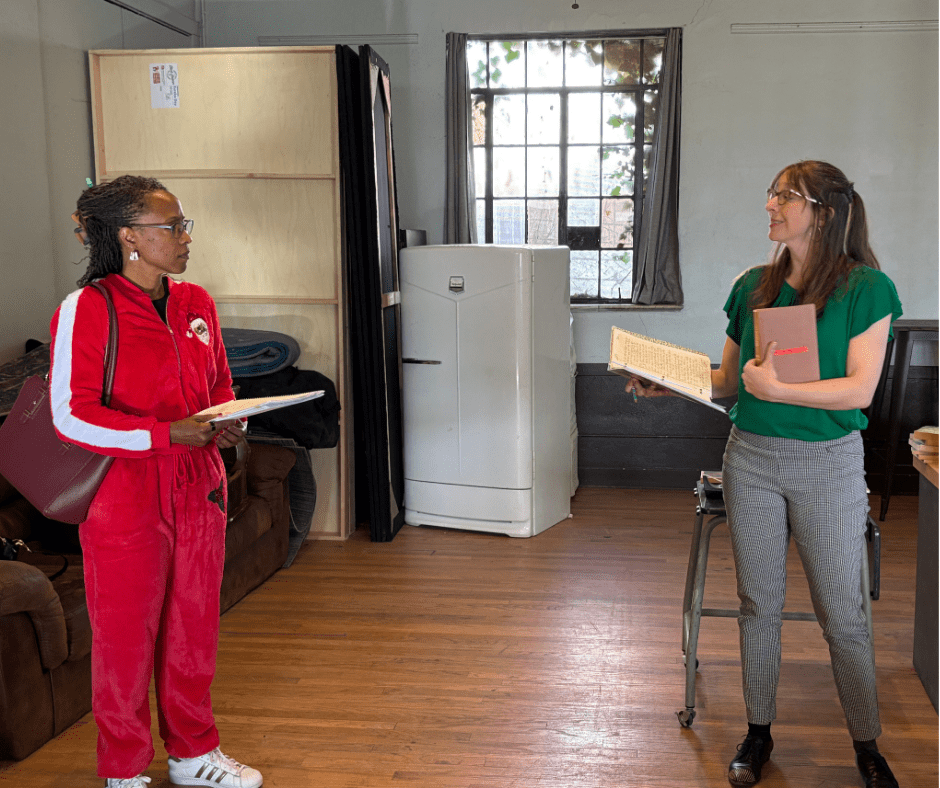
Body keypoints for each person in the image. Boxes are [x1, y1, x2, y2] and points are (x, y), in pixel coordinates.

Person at [627, 161, 902, 788]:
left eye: (786, 196)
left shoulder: (868, 289)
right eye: (772, 193)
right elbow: (729, 382)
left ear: (825, 213)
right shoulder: (753, 285)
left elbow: (859, 390)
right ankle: (758, 732)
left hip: (828, 465)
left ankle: (866, 742)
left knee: (842, 609)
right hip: (749, 458)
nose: (771, 205)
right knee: (759, 605)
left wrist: (777, 388)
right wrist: (667, 380)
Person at [49, 175, 263, 788]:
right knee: (123, 639)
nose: (184, 237)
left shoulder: (197, 302)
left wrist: (229, 422)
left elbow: (219, 387)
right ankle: (124, 770)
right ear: (128, 238)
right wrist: (165, 436)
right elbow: (72, 413)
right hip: (126, 495)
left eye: (183, 223)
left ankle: (194, 755)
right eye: (171, 226)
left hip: (199, 486)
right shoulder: (87, 308)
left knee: (194, 628)